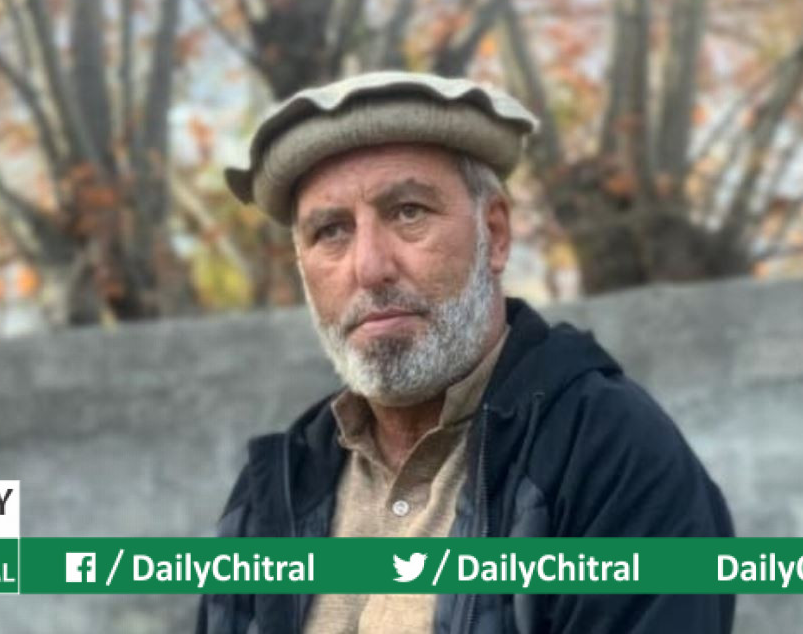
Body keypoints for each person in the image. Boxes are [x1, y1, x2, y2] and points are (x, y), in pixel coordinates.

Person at [198, 71, 735, 634]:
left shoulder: (608, 452)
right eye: (331, 231)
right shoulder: (275, 490)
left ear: (494, 235)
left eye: (408, 212)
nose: (370, 268)